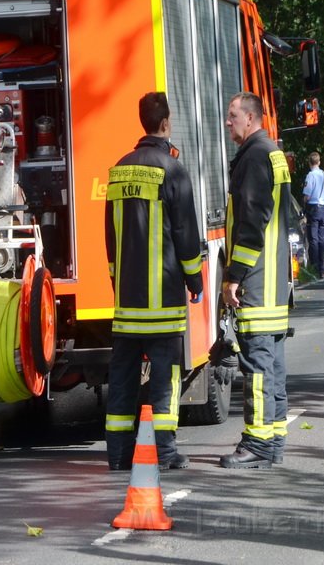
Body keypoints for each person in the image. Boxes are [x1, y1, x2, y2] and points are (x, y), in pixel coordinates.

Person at [104, 92, 203, 471]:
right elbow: (185, 232)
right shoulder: (173, 170)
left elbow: (110, 239)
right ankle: (164, 453)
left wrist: (118, 283)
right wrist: (194, 279)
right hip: (163, 303)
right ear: (166, 123)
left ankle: (117, 455)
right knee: (165, 378)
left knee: (123, 380)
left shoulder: (118, 170)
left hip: (127, 304)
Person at [220, 92, 291, 469]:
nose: (228, 122)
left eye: (232, 116)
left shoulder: (253, 157)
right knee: (273, 365)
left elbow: (250, 222)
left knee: (258, 366)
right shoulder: (273, 153)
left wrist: (234, 276)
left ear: (250, 117)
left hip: (258, 282)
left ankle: (258, 444)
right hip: (276, 283)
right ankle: (275, 438)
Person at [302, 151, 324, 278]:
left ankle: (314, 267)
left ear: (309, 163)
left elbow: (307, 196)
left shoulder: (310, 176)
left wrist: (304, 205)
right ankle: (322, 268)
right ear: (319, 162)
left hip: (313, 208)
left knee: (313, 239)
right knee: (321, 240)